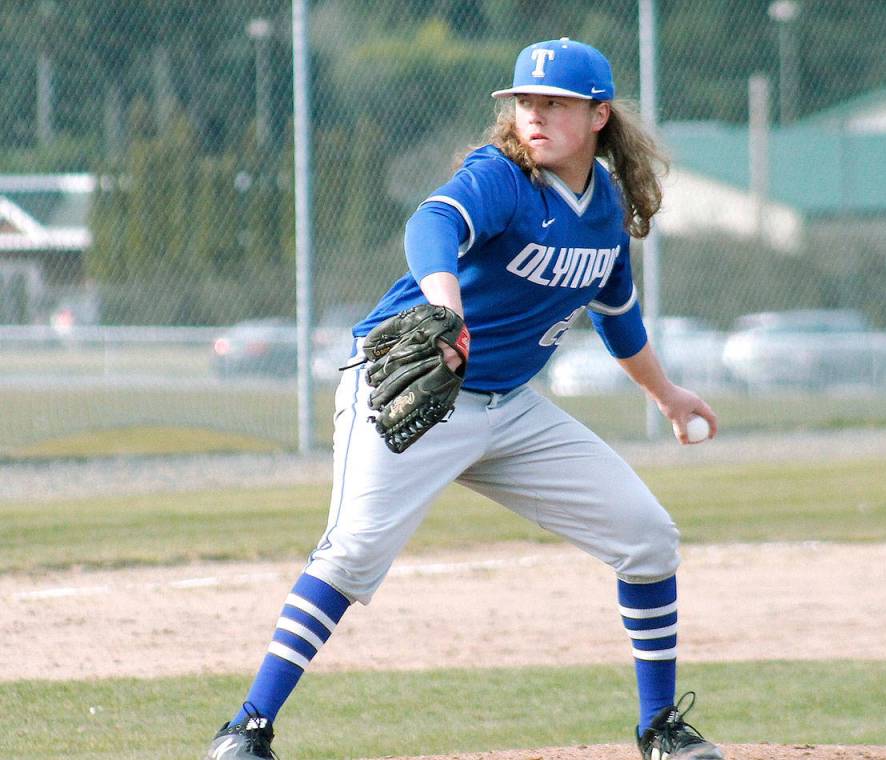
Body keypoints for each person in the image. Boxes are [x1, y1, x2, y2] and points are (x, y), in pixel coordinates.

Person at [204, 37, 722, 760]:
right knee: (352, 555)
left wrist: (666, 395)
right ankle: (246, 729)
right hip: (412, 386)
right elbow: (432, 223)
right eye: (525, 101)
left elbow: (618, 317)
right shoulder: (502, 176)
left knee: (648, 538)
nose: (534, 114)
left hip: (508, 407)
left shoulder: (604, 207)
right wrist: (446, 306)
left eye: (555, 104)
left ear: (598, 115)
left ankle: (660, 728)